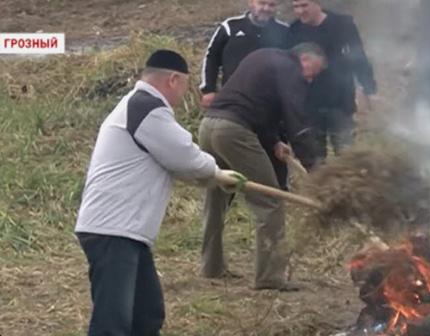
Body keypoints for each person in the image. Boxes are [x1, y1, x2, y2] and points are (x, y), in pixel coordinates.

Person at [75, 49, 241, 335]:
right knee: (112, 323)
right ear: (173, 79)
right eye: (186, 87)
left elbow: (176, 164)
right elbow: (184, 155)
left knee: (147, 314)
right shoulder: (147, 107)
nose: (183, 95)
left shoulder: (138, 107)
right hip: (113, 230)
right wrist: (215, 171)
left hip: (126, 231)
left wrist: (212, 178)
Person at [199, 43, 325, 290]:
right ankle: (269, 277)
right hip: (233, 131)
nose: (310, 79)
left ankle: (210, 266)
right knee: (269, 201)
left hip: (208, 126)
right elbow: (296, 121)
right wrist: (316, 170)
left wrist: (274, 141)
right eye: (313, 72)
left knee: (215, 197)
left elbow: (256, 105)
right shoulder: (290, 69)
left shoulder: (262, 56)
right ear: (305, 58)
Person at [199, 0, 290, 189]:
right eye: (262, 3)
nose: (266, 8)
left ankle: (277, 195)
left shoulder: (284, 32)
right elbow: (211, 56)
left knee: (274, 158)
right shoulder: (231, 27)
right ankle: (228, 199)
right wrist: (208, 89)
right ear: (251, 2)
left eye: (272, 5)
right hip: (235, 107)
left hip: (269, 110)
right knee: (225, 168)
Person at [287, 0, 377, 159]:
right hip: (309, 104)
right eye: (296, 7)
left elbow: (359, 58)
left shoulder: (342, 24)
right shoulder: (294, 30)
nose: (300, 11)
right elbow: (288, 67)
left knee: (347, 156)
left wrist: (369, 88)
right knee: (314, 159)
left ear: (317, 3)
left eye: (304, 5)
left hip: (340, 101)